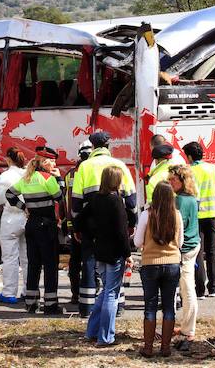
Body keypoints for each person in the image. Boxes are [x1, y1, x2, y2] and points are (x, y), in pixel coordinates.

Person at [72, 131, 136, 318]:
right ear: (108, 146)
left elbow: (76, 201)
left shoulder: (84, 167)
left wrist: (77, 226)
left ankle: (87, 308)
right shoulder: (119, 165)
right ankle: (118, 305)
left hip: (91, 224)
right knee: (116, 262)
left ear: (92, 147)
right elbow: (131, 200)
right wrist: (131, 223)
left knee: (89, 263)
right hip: (116, 222)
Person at [6, 146, 66, 315]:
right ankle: (50, 305)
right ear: (44, 162)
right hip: (46, 225)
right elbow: (60, 197)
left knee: (33, 264)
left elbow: (10, 195)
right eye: (52, 161)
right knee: (50, 265)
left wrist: (24, 207)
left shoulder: (27, 178)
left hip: (31, 224)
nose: (54, 163)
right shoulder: (48, 179)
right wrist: (59, 178)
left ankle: (31, 303)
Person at [77, 165, 132, 346]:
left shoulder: (95, 199)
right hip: (114, 252)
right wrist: (128, 253)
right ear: (116, 181)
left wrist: (91, 234)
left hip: (99, 250)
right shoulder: (116, 201)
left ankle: (92, 331)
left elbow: (79, 220)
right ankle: (106, 337)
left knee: (105, 291)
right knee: (111, 294)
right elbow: (121, 231)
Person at [133, 181, 183, 358]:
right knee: (169, 307)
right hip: (172, 263)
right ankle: (165, 347)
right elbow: (180, 242)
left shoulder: (147, 215)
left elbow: (137, 242)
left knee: (150, 306)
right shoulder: (176, 215)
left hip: (150, 264)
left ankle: (148, 348)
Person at [183, 141, 215, 299]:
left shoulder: (187, 171)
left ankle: (200, 290)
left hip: (195, 217)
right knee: (212, 252)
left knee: (197, 253)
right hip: (212, 215)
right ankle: (214, 288)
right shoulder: (213, 169)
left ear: (189, 156)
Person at [167, 164, 201, 352]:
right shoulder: (191, 198)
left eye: (174, 179)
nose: (171, 182)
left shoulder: (180, 200)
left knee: (187, 289)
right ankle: (186, 325)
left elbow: (178, 226)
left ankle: (189, 329)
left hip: (185, 249)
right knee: (186, 288)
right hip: (193, 244)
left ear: (182, 180)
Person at [0, 146, 28, 304]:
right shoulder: (28, 174)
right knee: (27, 257)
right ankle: (28, 291)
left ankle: (8, 293)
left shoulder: (5, 176)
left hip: (10, 219)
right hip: (27, 217)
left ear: (8, 159)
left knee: (10, 258)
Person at [63, 139, 92, 305]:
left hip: (73, 224)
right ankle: (90, 292)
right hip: (89, 225)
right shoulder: (94, 171)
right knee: (90, 259)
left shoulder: (70, 174)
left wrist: (67, 222)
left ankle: (76, 294)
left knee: (75, 261)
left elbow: (66, 200)